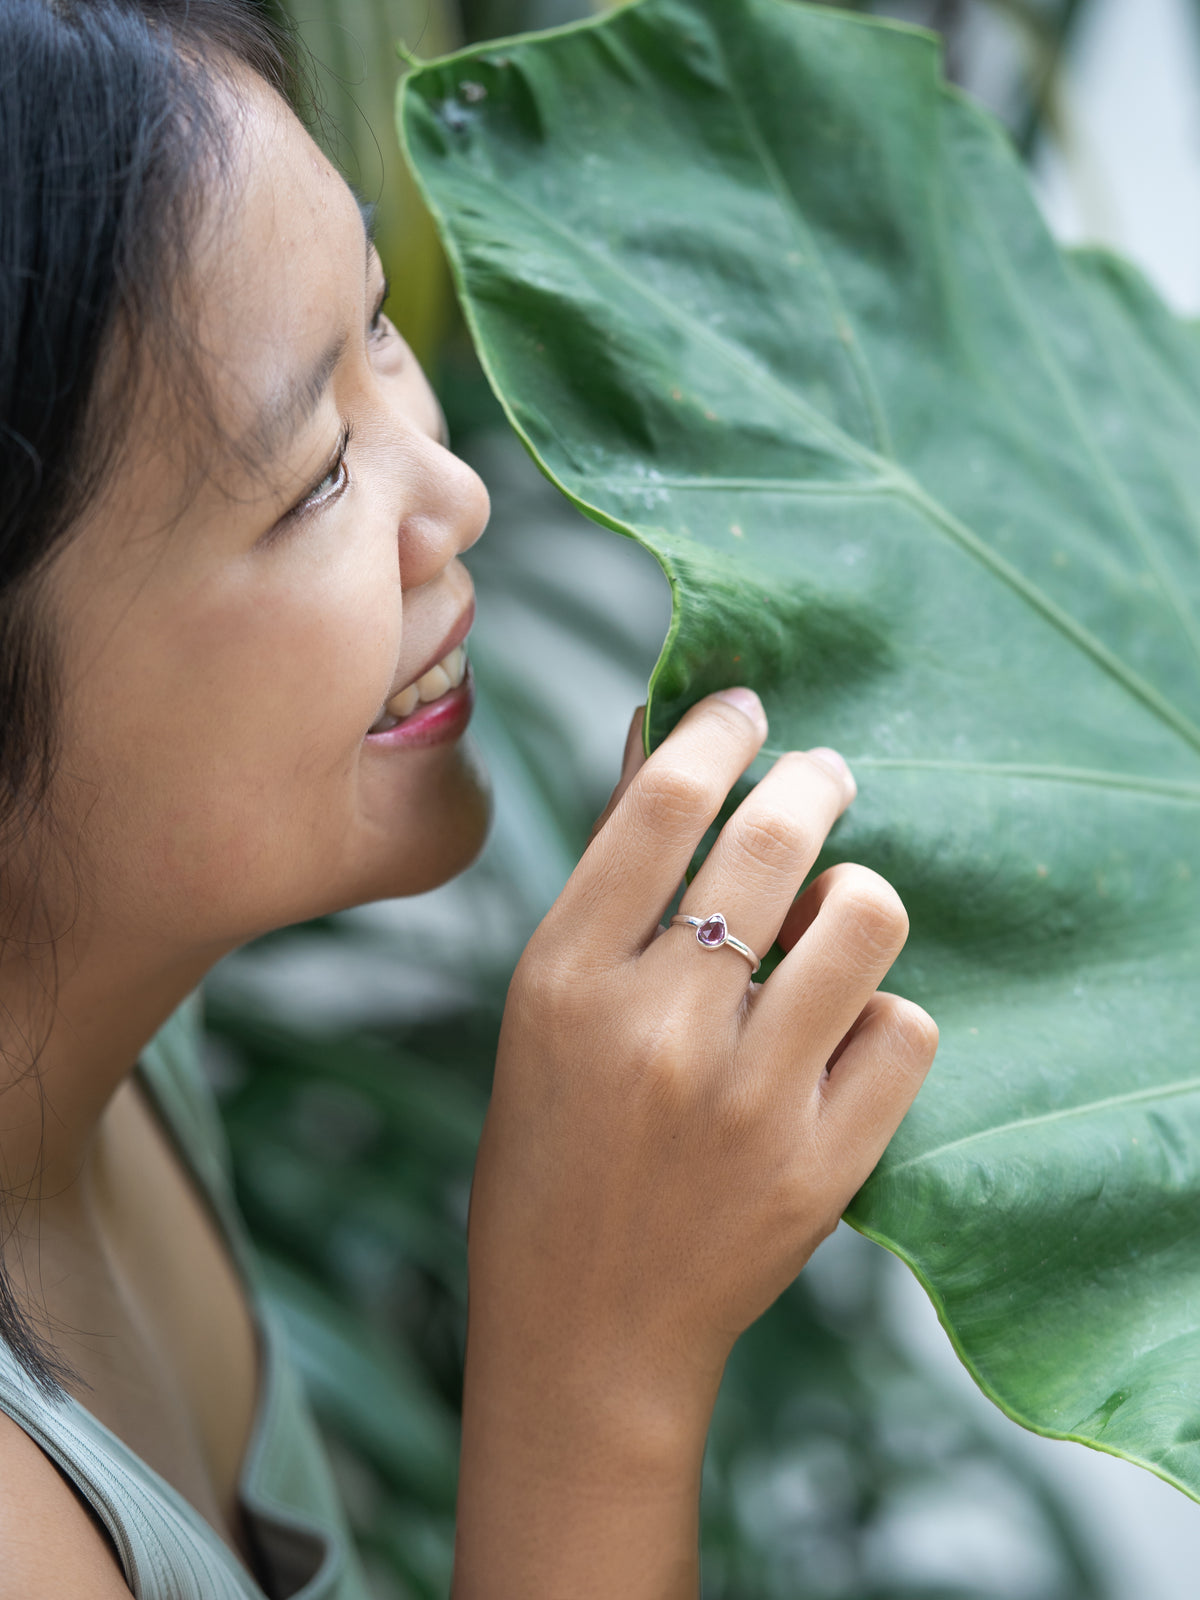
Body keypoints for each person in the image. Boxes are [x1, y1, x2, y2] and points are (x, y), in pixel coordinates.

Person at [0, 2, 939, 1595]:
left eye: (375, 326)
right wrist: (599, 1380)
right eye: (312, 481)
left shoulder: (102, 1016)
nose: (458, 490)